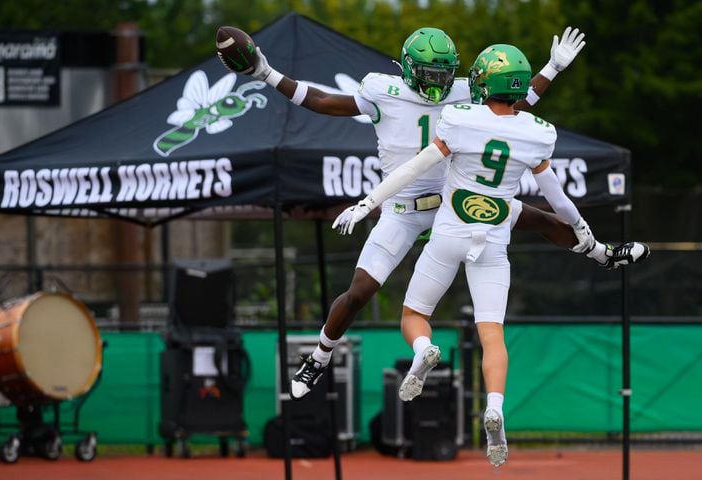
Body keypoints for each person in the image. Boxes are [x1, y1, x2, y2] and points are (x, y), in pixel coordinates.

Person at [233, 26, 649, 401]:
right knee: (359, 290)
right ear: (409, 69)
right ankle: (321, 356)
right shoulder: (383, 91)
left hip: (455, 200)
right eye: (430, 75)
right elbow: (324, 100)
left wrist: (551, 69)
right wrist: (269, 75)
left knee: (539, 219)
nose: (438, 85)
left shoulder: (464, 91)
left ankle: (603, 254)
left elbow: (512, 105)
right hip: (402, 206)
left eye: (444, 75)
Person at [331, 43, 633, 466]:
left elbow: (413, 168)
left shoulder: (459, 118)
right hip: (494, 236)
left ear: (481, 82)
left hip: (451, 229)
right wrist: (583, 232)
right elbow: (557, 200)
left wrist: (367, 203)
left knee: (414, 317)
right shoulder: (537, 131)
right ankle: (495, 406)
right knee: (492, 333)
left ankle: (423, 352)